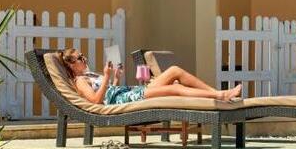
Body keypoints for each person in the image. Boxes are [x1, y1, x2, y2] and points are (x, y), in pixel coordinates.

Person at [59, 48, 242, 105]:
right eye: (79, 58)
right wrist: (106, 77)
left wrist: (115, 77)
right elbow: (97, 102)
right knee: (175, 87)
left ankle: (218, 93)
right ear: (71, 65)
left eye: (83, 56)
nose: (84, 59)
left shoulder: (89, 75)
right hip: (125, 99)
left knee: (174, 71)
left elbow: (109, 91)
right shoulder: (81, 81)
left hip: (126, 92)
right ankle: (221, 96)